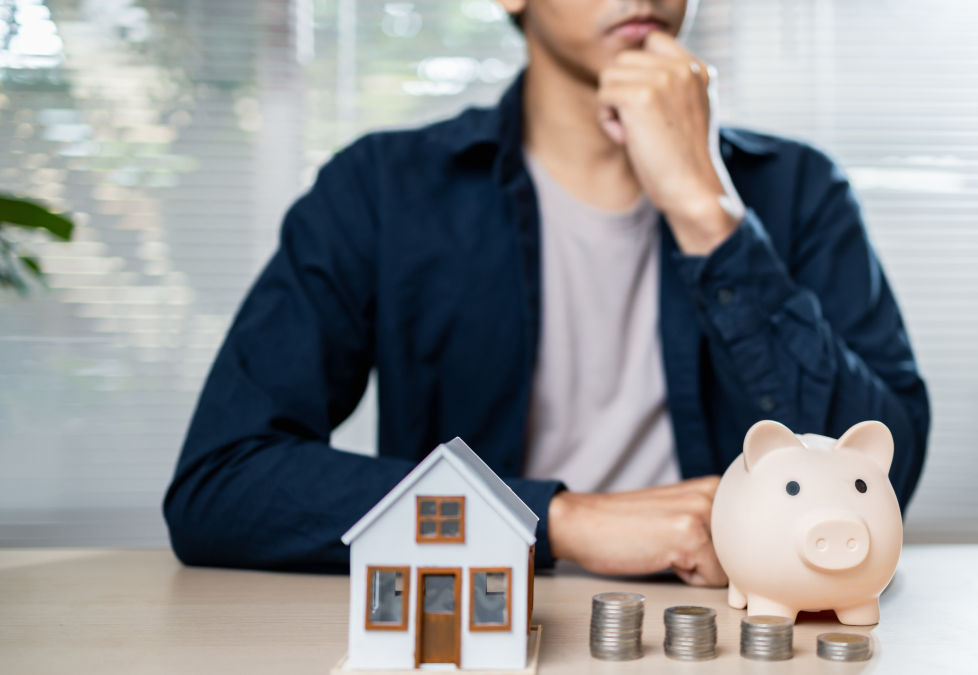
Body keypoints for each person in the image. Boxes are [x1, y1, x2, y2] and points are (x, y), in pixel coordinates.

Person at [163, 0, 930, 586]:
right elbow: (222, 482)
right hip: (496, 620)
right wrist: (555, 518)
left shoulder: (797, 189)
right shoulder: (381, 191)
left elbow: (881, 478)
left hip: (734, 630)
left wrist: (708, 212)